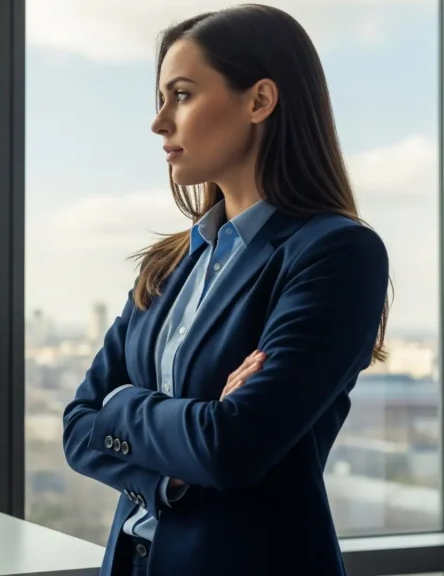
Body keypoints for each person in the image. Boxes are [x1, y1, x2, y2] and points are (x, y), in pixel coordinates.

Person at [61, 4, 392, 576]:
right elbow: (77, 427)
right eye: (160, 99)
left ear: (259, 101)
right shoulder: (166, 266)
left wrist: (123, 407)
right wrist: (181, 449)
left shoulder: (336, 254)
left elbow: (232, 447)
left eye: (182, 94)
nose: (160, 122)